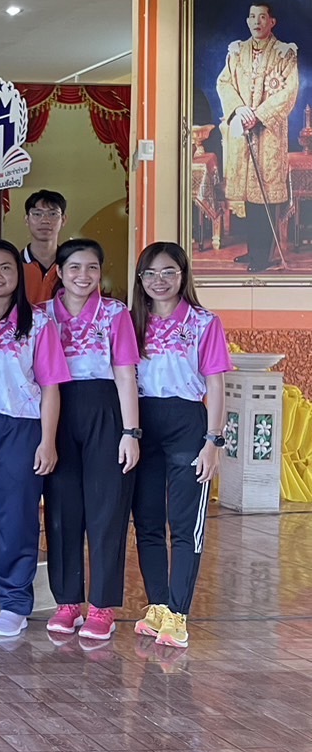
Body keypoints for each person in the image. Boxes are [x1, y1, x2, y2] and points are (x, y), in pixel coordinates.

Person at [0, 240, 68, 638]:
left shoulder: (38, 324)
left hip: (20, 427)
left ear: (18, 275)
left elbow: (51, 387)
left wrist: (47, 441)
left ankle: (15, 601)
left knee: (16, 516)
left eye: (5, 267)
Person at [129, 242, 231, 649]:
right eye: (150, 273)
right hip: (142, 424)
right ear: (140, 279)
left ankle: (178, 614)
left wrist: (213, 441)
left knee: (186, 525)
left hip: (187, 424)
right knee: (148, 521)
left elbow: (216, 385)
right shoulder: (131, 322)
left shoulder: (204, 323)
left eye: (168, 272)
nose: (159, 281)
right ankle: (157, 606)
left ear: (183, 275)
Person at [43, 238, 141, 643]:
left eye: (92, 268)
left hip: (105, 409)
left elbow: (125, 374)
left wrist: (130, 432)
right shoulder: (42, 314)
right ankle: (67, 602)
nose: (83, 276)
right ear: (59, 272)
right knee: (61, 510)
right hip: (56, 409)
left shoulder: (115, 313)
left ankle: (102, 606)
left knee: (107, 510)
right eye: (74, 268)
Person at [216, 2, 300, 272]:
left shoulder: (285, 52)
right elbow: (224, 82)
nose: (256, 21)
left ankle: (263, 256)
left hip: (269, 135)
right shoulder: (237, 51)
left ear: (271, 21)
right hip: (243, 131)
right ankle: (254, 251)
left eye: (262, 17)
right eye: (252, 16)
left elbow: (289, 91)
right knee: (249, 197)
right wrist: (239, 109)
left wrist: (259, 115)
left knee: (265, 196)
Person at [20, 189, 67, 306]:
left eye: (53, 214)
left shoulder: (72, 265)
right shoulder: (14, 265)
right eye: (37, 214)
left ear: (63, 220)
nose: (45, 220)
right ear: (27, 219)